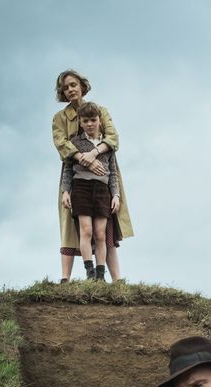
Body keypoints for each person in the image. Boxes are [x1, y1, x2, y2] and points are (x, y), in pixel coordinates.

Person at [52, 69, 134, 282]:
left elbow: (113, 137)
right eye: (65, 87)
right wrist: (82, 157)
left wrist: (94, 153)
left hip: (103, 171)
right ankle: (66, 278)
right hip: (76, 174)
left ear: (82, 85)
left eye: (73, 84)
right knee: (73, 225)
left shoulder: (100, 111)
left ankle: (115, 279)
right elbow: (61, 143)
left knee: (105, 228)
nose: (70, 89)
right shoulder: (60, 118)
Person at [61, 102, 120, 282]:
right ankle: (90, 272)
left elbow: (113, 172)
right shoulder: (75, 143)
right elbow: (68, 169)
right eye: (85, 121)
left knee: (100, 233)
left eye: (93, 120)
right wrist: (65, 191)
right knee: (86, 230)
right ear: (80, 122)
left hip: (102, 191)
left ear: (99, 120)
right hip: (81, 188)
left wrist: (116, 195)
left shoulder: (107, 145)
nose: (89, 124)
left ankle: (101, 275)